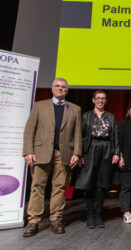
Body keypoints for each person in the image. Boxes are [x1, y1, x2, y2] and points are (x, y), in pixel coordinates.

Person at [22, 78, 82, 237]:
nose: (60, 89)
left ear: (67, 90)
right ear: (52, 88)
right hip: (41, 153)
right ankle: (33, 221)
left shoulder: (75, 109)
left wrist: (76, 153)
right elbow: (29, 131)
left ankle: (56, 219)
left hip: (64, 155)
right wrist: (28, 151)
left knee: (60, 188)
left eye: (63, 87)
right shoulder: (39, 106)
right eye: (57, 86)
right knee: (37, 187)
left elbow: (77, 134)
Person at [74, 90, 119, 229]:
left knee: (102, 184)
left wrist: (116, 153)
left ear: (106, 101)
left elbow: (115, 136)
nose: (100, 100)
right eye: (98, 98)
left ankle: (98, 214)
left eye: (103, 98)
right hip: (90, 149)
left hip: (106, 149)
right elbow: (79, 136)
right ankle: (90, 214)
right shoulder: (86, 116)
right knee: (89, 183)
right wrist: (79, 154)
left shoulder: (110, 117)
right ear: (93, 100)